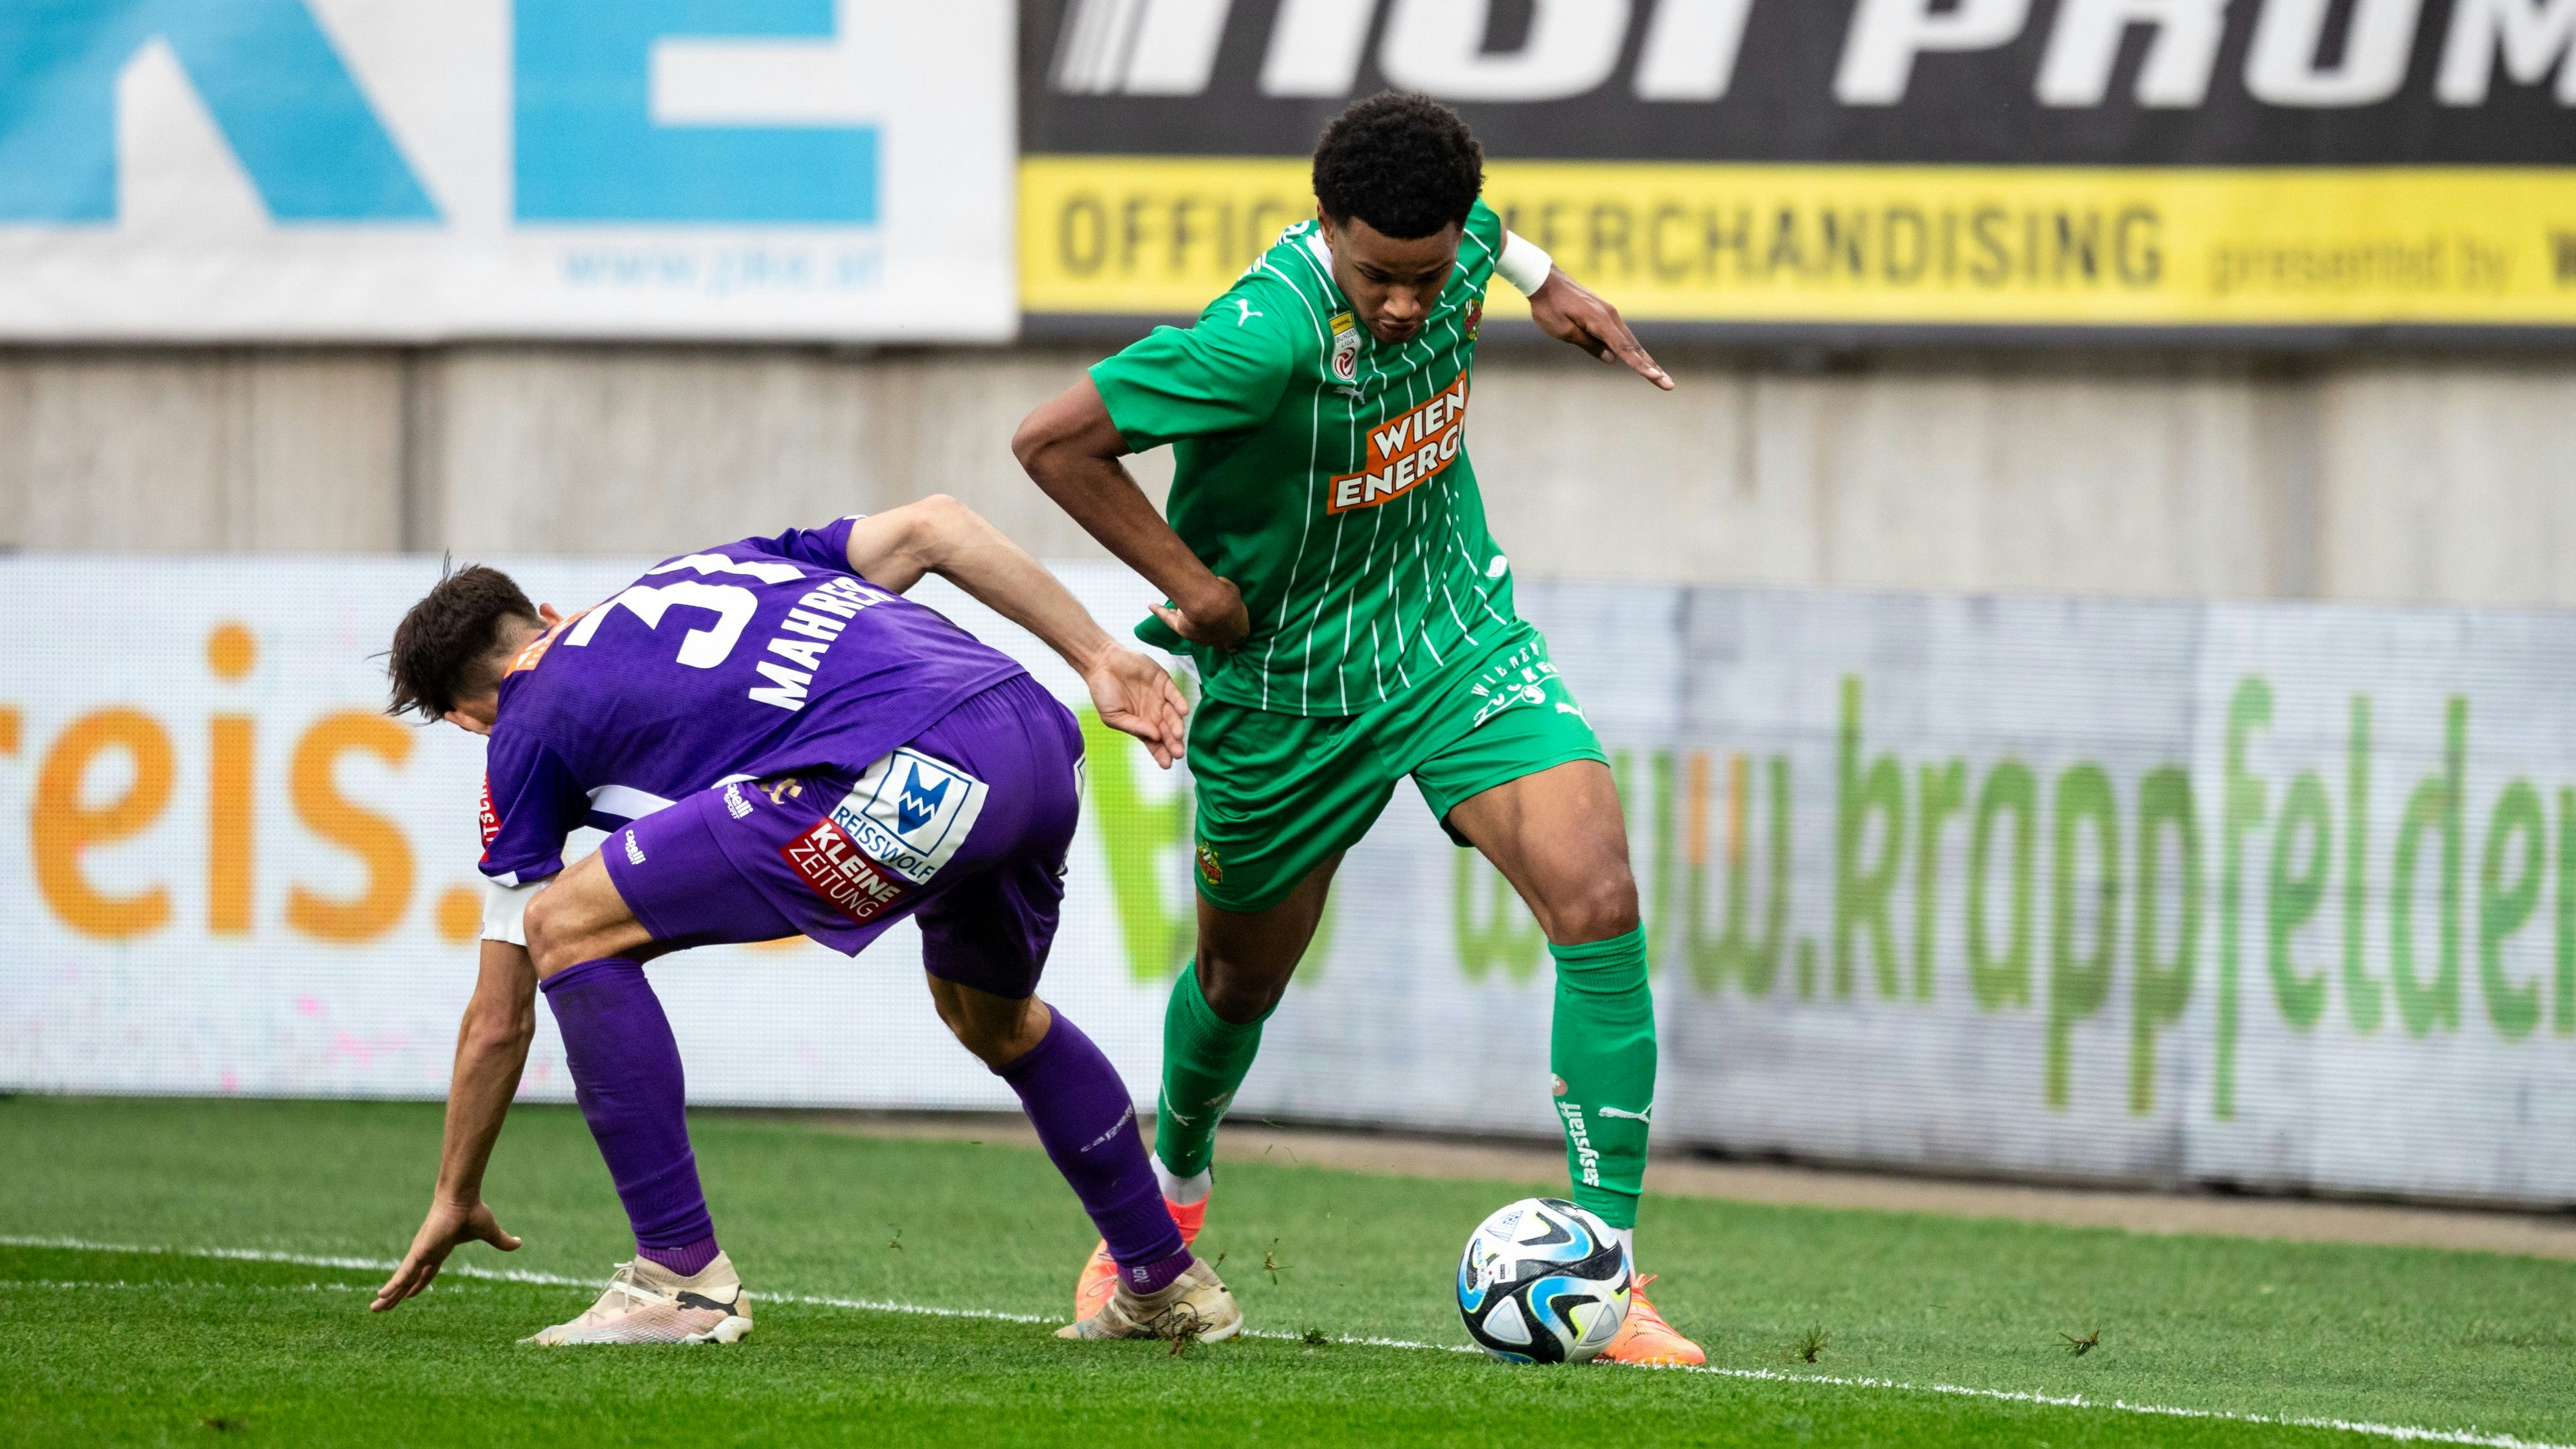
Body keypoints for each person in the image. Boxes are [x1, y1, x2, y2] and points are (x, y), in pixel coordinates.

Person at [1012, 92, 1701, 1365]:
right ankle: (1165, 1197)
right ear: (1326, 226)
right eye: (1379, 276)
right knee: (1236, 981)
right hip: (1284, 688)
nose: (1404, 303)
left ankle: (1603, 1275)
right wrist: (1198, 585)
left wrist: (1549, 287)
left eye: (1427, 275)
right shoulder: (1259, 337)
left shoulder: (1457, 249)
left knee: (1595, 892)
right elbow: (1051, 443)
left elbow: (1488, 228)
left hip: (1450, 639)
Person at [366, 498, 1238, 1346]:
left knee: (565, 925)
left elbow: (497, 1018)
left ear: (461, 716)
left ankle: (679, 1278)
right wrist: (1096, 655)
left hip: (910, 769)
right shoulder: (708, 569)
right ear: (545, 614)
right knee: (992, 1016)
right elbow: (937, 525)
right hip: (1039, 737)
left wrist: (454, 1191)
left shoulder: (521, 726)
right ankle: (1163, 1280)